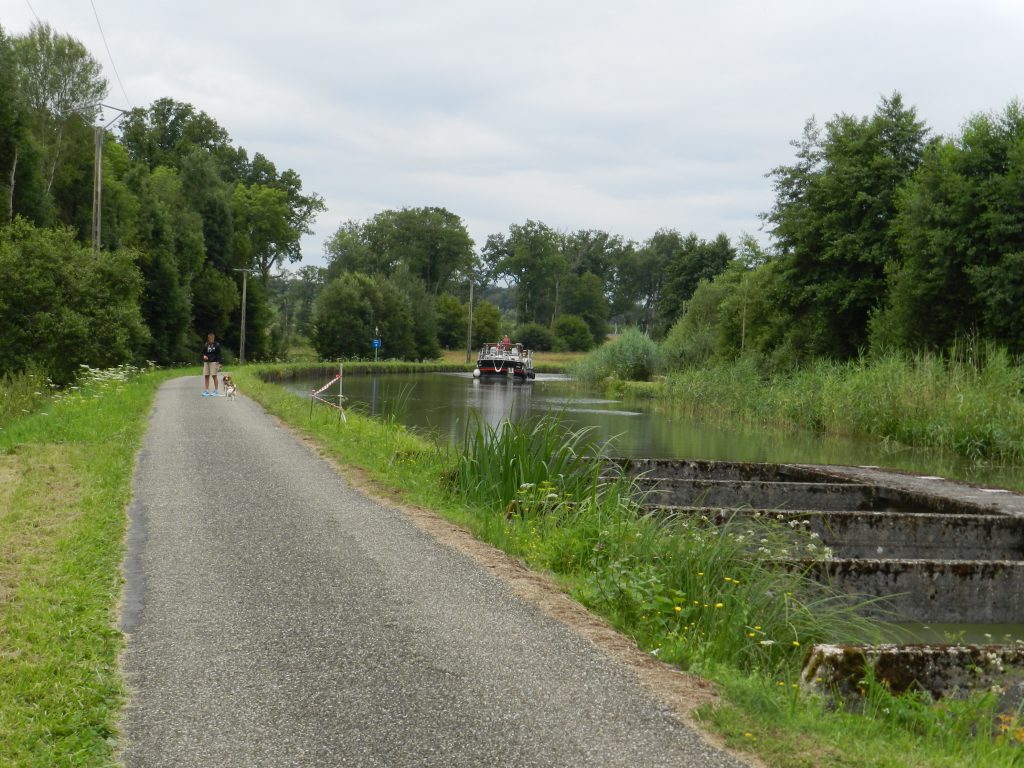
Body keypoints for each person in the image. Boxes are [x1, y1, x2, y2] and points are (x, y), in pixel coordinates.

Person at [201, 332, 223, 396]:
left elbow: (219, 354)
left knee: (214, 376)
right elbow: (203, 353)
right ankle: (206, 391)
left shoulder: (217, 345)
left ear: (214, 338)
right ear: (208, 338)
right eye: (210, 338)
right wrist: (204, 356)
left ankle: (216, 391)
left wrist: (219, 363)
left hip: (214, 362)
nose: (211, 339)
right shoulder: (205, 345)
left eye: (212, 338)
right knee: (206, 376)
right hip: (206, 363)